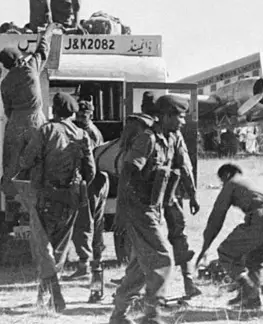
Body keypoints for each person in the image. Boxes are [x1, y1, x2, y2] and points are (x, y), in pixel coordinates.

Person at [109, 95, 187, 324]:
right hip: (139, 209)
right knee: (162, 258)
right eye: (178, 116)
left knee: (140, 266)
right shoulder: (147, 140)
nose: (182, 121)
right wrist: (122, 212)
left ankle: (118, 316)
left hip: (154, 209)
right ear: (165, 116)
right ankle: (152, 316)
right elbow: (128, 174)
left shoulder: (171, 139)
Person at [16, 93, 95, 312]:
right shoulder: (82, 134)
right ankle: (45, 296)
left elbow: (26, 160)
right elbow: (91, 171)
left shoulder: (46, 131)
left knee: (43, 245)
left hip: (46, 196)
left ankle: (55, 291)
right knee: (59, 248)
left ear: (54, 110)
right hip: (70, 197)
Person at [196, 164, 263, 309]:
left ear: (226, 175)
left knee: (226, 252)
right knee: (255, 260)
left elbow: (217, 216)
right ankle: (252, 300)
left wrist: (205, 247)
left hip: (262, 218)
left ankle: (248, 288)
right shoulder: (258, 181)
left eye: (222, 180)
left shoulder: (231, 183)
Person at [0, 22, 59, 198]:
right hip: (35, 119)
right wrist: (48, 29)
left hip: (15, 122)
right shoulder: (30, 67)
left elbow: (7, 109)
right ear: (19, 59)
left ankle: (12, 201)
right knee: (40, 159)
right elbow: (43, 49)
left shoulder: (5, 83)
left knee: (11, 163)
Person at [65, 99, 108, 284]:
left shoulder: (88, 133)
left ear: (91, 114)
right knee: (95, 223)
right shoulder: (90, 130)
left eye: (85, 114)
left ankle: (84, 265)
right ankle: (95, 262)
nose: (81, 117)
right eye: (79, 114)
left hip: (91, 182)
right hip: (97, 181)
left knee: (85, 223)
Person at [112, 91, 158, 262]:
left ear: (142, 106)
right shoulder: (159, 127)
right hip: (151, 186)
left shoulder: (134, 123)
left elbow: (122, 147)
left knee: (125, 220)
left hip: (131, 179)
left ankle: (125, 259)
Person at [164, 128, 202, 299]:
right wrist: (192, 195)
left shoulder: (138, 130)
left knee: (145, 240)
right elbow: (185, 166)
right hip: (169, 196)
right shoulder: (174, 134)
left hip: (158, 197)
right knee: (179, 237)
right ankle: (189, 283)